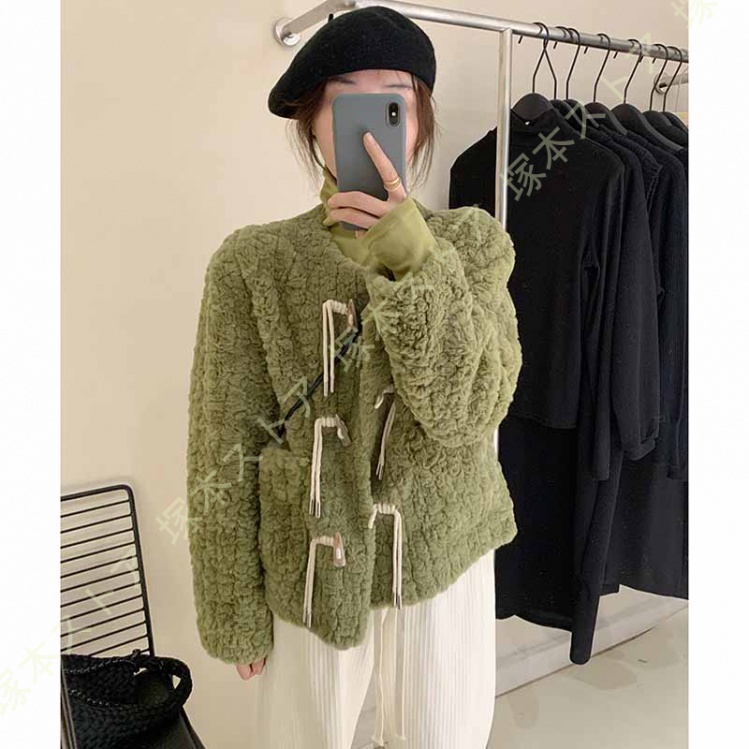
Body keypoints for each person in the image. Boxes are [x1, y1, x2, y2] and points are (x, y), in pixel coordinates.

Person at [186, 7, 522, 748]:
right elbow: (224, 441)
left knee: (443, 737)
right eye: (347, 100)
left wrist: (412, 259)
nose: (373, 124)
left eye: (394, 101)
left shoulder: (472, 243)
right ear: (311, 123)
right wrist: (233, 606)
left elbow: (469, 410)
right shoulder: (253, 262)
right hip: (310, 559)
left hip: (441, 556)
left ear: (419, 122)